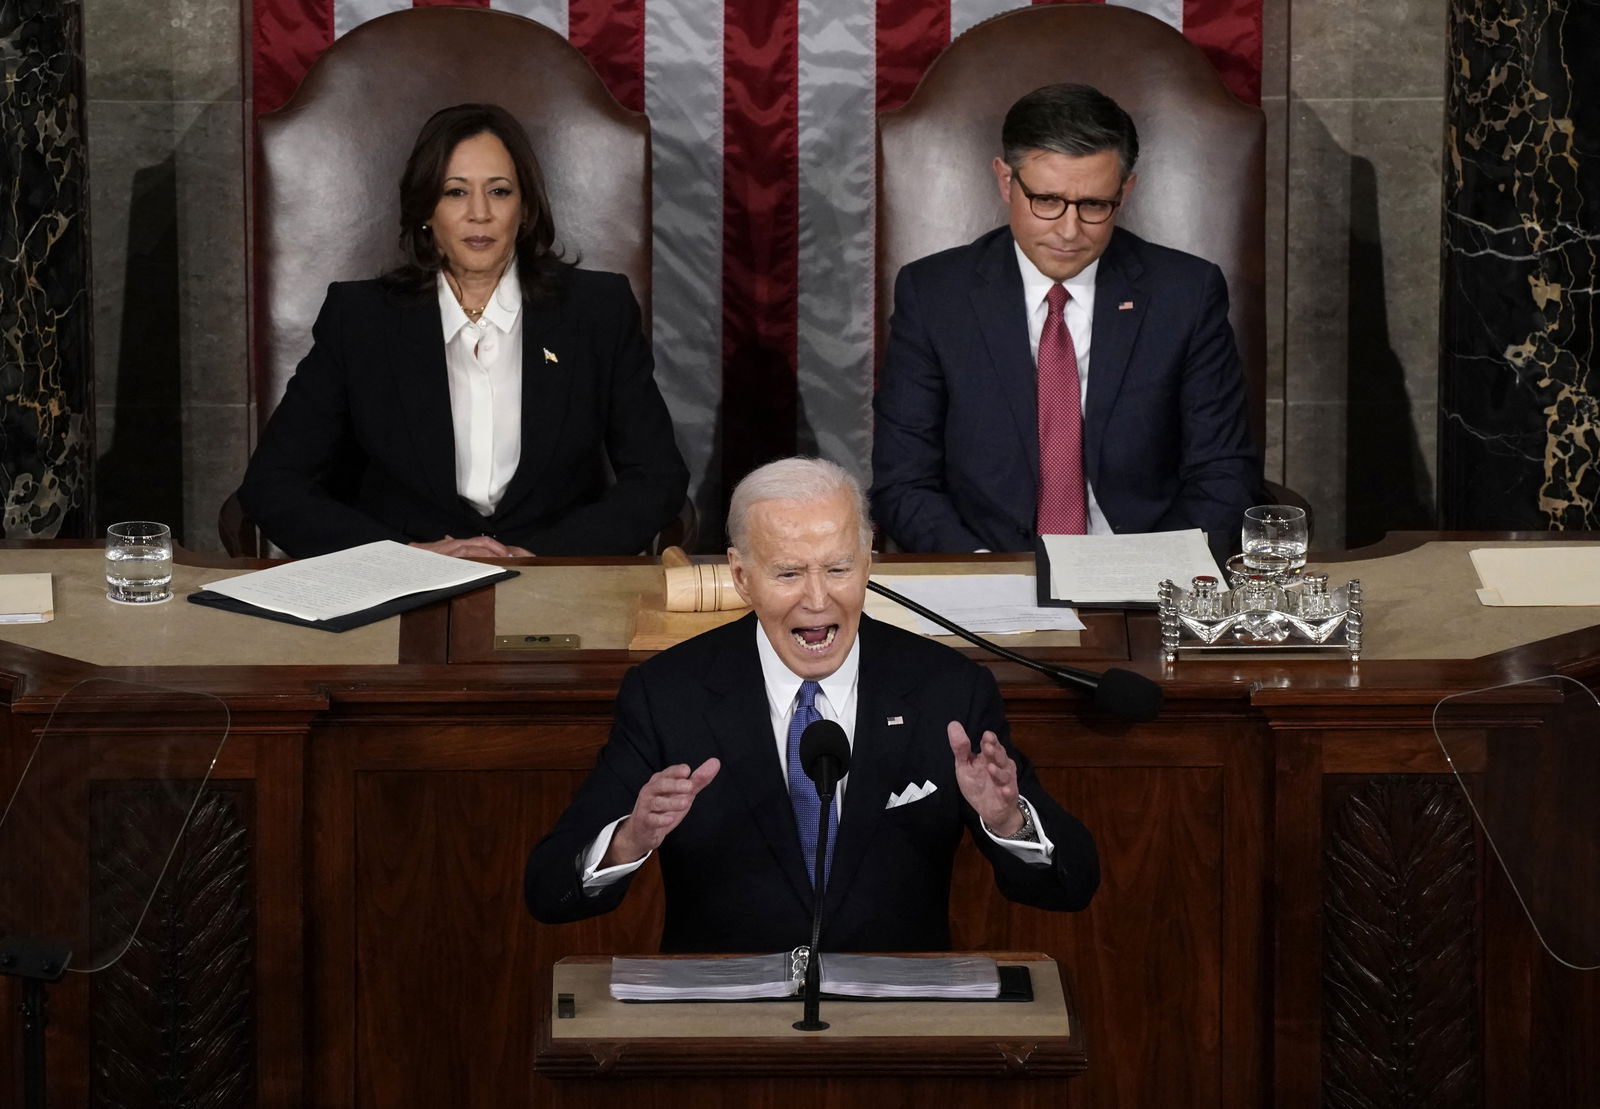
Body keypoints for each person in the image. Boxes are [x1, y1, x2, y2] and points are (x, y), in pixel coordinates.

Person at [525, 457, 1097, 953]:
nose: (818, 599)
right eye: (789, 573)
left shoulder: (946, 690)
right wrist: (631, 837)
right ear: (742, 576)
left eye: (839, 568)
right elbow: (549, 892)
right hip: (724, 1031)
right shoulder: (667, 693)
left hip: (897, 1025)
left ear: (869, 560)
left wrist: (1008, 820)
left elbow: (1070, 888)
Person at [237, 103, 688, 559]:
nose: (479, 213)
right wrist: (402, 555)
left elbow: (657, 477)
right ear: (425, 210)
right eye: (455, 192)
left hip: (555, 577)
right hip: (401, 584)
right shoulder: (360, 318)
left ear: (525, 207)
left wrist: (543, 556)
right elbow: (273, 484)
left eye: (499, 191)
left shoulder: (596, 310)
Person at [870, 83, 1262, 561]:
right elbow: (904, 481)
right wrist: (980, 570)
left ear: (1126, 191)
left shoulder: (1186, 293)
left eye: (1095, 205)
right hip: (989, 566)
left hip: (1144, 570)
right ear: (1004, 181)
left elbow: (1223, 472)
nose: (1069, 230)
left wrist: (1147, 571)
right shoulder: (934, 295)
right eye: (1047, 200)